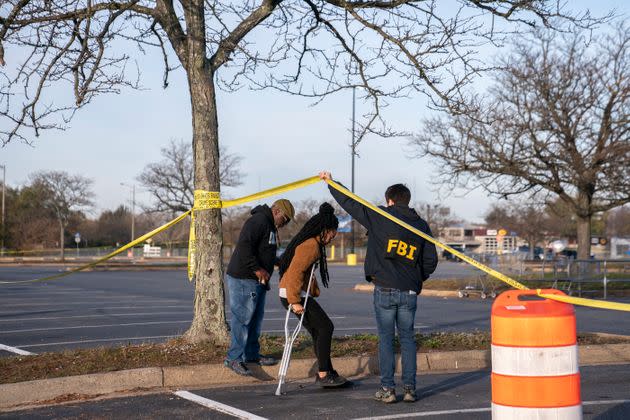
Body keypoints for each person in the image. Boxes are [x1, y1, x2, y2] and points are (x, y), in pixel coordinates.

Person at [320, 171, 438, 403]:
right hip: (409, 291)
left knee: (386, 339)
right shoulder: (421, 225)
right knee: (407, 339)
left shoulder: (381, 216)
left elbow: (351, 203)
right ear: (407, 200)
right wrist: (416, 278)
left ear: (390, 201)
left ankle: (387, 389)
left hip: (384, 288)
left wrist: (331, 183)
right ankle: (410, 389)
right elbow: (430, 261)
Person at [278, 202, 348, 388]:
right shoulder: (311, 246)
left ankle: (327, 371)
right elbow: (295, 272)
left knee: (319, 330)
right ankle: (324, 374)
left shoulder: (312, 243)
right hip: (294, 295)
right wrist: (295, 301)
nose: (334, 236)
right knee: (326, 327)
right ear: (325, 230)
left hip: (294, 293)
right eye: (333, 232)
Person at [224, 198, 295, 376]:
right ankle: (234, 358)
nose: (284, 224)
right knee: (242, 318)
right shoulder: (258, 221)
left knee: (255, 319)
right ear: (277, 211)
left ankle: (252, 355)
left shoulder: (270, 225)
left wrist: (278, 262)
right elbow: (244, 247)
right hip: (244, 277)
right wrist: (257, 269)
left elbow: (265, 251)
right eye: (285, 219)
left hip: (259, 281)